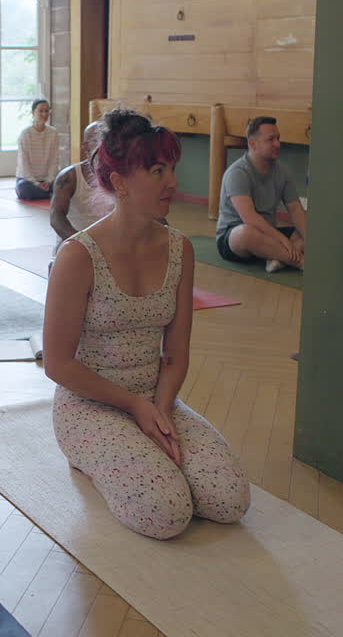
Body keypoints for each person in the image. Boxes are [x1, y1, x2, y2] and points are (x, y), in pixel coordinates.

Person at [43, 109, 251, 540]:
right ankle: (89, 455)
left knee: (229, 499)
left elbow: (176, 353)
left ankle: (138, 451)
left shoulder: (179, 249)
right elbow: (59, 365)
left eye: (171, 168)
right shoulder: (78, 256)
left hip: (156, 398)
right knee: (167, 512)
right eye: (157, 171)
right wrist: (135, 407)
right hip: (89, 404)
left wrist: (159, 408)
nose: (172, 182)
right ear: (119, 182)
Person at [214, 116, 307, 273]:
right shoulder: (237, 173)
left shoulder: (283, 171)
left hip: (268, 235)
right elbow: (250, 219)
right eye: (271, 139)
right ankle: (299, 261)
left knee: (308, 225)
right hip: (236, 238)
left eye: (278, 138)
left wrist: (311, 241)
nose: (277, 144)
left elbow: (296, 209)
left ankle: (277, 258)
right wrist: (283, 240)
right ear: (252, 144)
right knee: (246, 233)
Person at [15, 99, 60, 201]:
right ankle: (49, 193)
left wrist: (48, 181)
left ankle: (47, 191)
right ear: (33, 113)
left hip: (47, 179)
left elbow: (54, 160)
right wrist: (36, 183)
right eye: (40, 111)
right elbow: (24, 163)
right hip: (28, 180)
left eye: (46, 111)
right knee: (24, 188)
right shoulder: (25, 134)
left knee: (64, 180)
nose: (44, 114)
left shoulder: (53, 133)